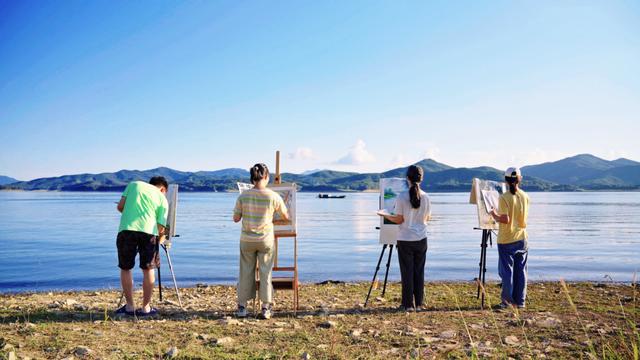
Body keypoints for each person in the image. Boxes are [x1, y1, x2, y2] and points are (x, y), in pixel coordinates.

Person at [233, 163, 289, 319]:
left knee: (245, 271)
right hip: (265, 240)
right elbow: (286, 216)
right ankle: (265, 307)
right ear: (266, 177)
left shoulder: (243, 196)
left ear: (252, 178)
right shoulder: (273, 196)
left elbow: (236, 219)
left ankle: (242, 307)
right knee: (266, 272)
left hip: (247, 240)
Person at [378, 165, 431, 311]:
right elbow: (428, 218)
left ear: (407, 178)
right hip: (422, 238)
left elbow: (399, 220)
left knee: (407, 272)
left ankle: (408, 304)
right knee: (419, 272)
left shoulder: (402, 196)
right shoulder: (426, 197)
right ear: (421, 179)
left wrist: (384, 214)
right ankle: (419, 304)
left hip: (405, 239)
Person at [115, 176, 169, 317]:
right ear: (163, 189)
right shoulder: (163, 199)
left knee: (126, 268)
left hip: (127, 229)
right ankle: (146, 308)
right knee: (148, 269)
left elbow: (120, 207)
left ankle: (130, 306)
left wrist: (133, 213)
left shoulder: (134, 185)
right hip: (149, 233)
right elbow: (161, 227)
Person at [490, 167, 530, 309]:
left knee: (507, 272)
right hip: (522, 238)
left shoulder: (504, 197)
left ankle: (507, 301)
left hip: (507, 238)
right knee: (521, 271)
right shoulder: (525, 196)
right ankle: (520, 301)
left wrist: (494, 215)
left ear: (505, 180)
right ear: (520, 178)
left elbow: (505, 219)